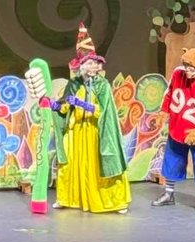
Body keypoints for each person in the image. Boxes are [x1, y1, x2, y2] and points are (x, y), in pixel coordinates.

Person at [28, 23, 130, 215]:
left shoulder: (103, 85)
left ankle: (114, 202)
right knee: (70, 164)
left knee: (97, 165)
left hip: (95, 132)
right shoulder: (74, 84)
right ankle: (68, 198)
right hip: (75, 133)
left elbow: (104, 111)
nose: (93, 67)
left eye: (95, 64)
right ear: (81, 66)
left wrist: (83, 104)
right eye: (89, 64)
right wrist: (52, 105)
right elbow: (64, 107)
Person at [152, 47, 195, 212]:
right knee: (172, 160)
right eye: (186, 67)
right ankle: (169, 194)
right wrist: (163, 111)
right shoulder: (178, 73)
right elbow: (169, 93)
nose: (187, 71)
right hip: (178, 128)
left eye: (192, 69)